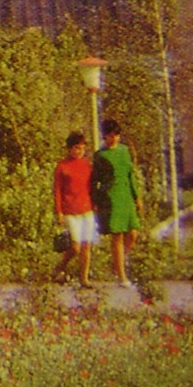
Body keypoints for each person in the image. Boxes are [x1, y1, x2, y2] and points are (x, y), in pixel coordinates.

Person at [91, 118, 143, 286]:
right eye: (110, 136)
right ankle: (121, 276)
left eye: (116, 135)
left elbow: (130, 174)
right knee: (118, 236)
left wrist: (137, 196)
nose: (114, 138)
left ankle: (118, 262)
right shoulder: (100, 155)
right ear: (104, 136)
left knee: (133, 233)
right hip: (111, 197)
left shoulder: (125, 150)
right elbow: (94, 180)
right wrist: (96, 201)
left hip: (126, 195)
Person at [51, 133, 97, 286]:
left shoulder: (86, 165)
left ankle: (84, 279)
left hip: (87, 209)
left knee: (86, 246)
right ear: (69, 149)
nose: (80, 151)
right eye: (77, 148)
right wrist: (59, 212)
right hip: (70, 210)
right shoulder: (62, 166)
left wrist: (95, 203)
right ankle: (60, 267)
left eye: (82, 148)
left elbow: (92, 187)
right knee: (75, 247)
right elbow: (57, 190)